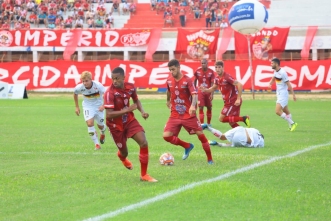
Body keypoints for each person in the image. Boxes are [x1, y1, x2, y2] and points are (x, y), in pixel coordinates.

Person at [104, 67, 157, 182]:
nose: (115, 81)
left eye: (117, 78)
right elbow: (109, 115)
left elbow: (136, 100)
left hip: (129, 120)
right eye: (113, 79)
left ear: (124, 77)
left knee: (143, 142)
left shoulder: (131, 87)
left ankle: (144, 175)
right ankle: (122, 157)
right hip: (115, 126)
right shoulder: (109, 93)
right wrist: (127, 110)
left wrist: (142, 112)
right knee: (124, 152)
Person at [163, 59, 214, 164]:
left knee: (200, 135)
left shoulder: (187, 80)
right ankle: (187, 146)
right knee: (166, 136)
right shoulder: (169, 80)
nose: (171, 72)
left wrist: (192, 106)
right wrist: (168, 100)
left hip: (188, 114)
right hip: (175, 114)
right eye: (170, 70)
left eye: (173, 69)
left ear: (178, 67)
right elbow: (169, 91)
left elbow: (194, 94)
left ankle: (210, 159)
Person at [200, 60, 250, 128]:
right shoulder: (217, 78)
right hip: (228, 102)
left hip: (233, 101)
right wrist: (206, 90)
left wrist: (238, 99)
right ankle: (244, 134)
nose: (217, 69)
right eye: (216, 67)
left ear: (223, 67)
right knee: (232, 122)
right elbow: (213, 88)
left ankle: (244, 118)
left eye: (219, 67)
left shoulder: (227, 77)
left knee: (221, 118)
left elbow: (240, 85)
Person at [74, 71, 107, 150]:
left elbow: (106, 94)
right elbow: (75, 93)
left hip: (99, 106)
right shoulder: (80, 87)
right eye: (83, 81)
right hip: (88, 107)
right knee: (89, 123)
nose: (85, 83)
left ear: (91, 79)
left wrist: (104, 105)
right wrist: (77, 107)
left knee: (100, 125)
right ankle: (97, 144)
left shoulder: (98, 85)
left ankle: (102, 133)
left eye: (86, 81)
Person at [268, 57, 298, 131]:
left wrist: (293, 95)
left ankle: (292, 123)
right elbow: (273, 78)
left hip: (283, 94)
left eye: (272, 63)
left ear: (276, 64)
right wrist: (270, 84)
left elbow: (289, 84)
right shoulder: (275, 71)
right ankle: (291, 126)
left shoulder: (283, 73)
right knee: (286, 111)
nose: (271, 64)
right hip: (279, 93)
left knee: (277, 111)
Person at [193, 58, 215, 125]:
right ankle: (202, 124)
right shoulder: (197, 71)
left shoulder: (211, 72)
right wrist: (194, 90)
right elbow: (195, 80)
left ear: (207, 64)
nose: (203, 64)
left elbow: (212, 83)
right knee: (201, 107)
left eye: (204, 63)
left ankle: (208, 123)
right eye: (202, 63)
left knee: (209, 107)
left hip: (208, 91)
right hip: (200, 92)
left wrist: (212, 93)